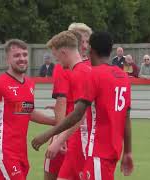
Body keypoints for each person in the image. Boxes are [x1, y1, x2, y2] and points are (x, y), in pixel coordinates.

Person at [31, 31, 134, 180]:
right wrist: (128, 151)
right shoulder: (123, 76)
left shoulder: (93, 75)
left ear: (91, 50)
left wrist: (49, 135)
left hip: (97, 151)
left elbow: (78, 114)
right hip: (111, 150)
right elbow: (126, 117)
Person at [0, 39, 56, 180]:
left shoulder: (29, 84)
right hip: (3, 151)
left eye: (25, 55)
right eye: (17, 55)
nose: (22, 59)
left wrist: (57, 122)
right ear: (7, 59)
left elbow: (27, 111)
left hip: (21, 151)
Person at [45, 30, 93, 180]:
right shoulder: (86, 70)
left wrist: (58, 138)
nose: (57, 61)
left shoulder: (78, 72)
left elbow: (80, 114)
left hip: (80, 138)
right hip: (76, 136)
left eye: (57, 57)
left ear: (64, 52)